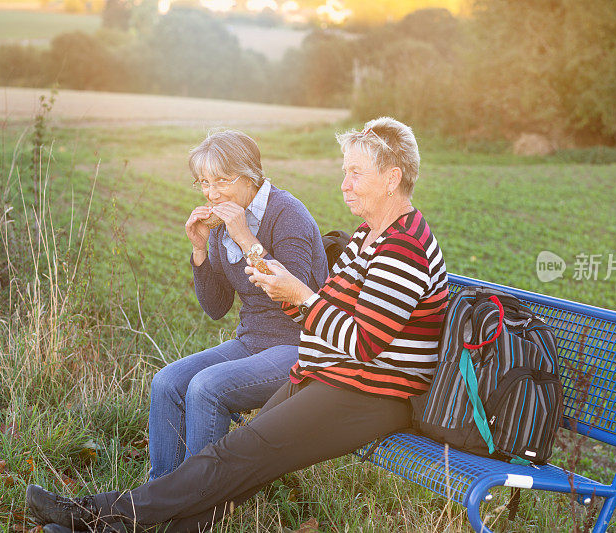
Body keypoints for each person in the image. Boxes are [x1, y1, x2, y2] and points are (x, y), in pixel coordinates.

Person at [26, 117, 449, 533]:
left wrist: (299, 295)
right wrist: (288, 294)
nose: (344, 184)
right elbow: (313, 314)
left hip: (371, 391)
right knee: (238, 466)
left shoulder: (403, 248)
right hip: (330, 375)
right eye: (345, 172)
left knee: (236, 454)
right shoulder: (369, 236)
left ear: (392, 178)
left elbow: (363, 342)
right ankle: (123, 523)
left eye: (356, 173)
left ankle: (93, 515)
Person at [148, 130, 329, 480]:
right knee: (166, 382)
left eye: (222, 181)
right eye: (203, 182)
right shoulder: (220, 226)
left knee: (206, 387)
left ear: (250, 176)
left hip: (302, 344)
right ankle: (160, 494)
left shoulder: (288, 214)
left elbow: (295, 297)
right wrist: (200, 250)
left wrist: (245, 236)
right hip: (252, 341)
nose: (211, 194)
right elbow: (217, 307)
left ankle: (198, 503)